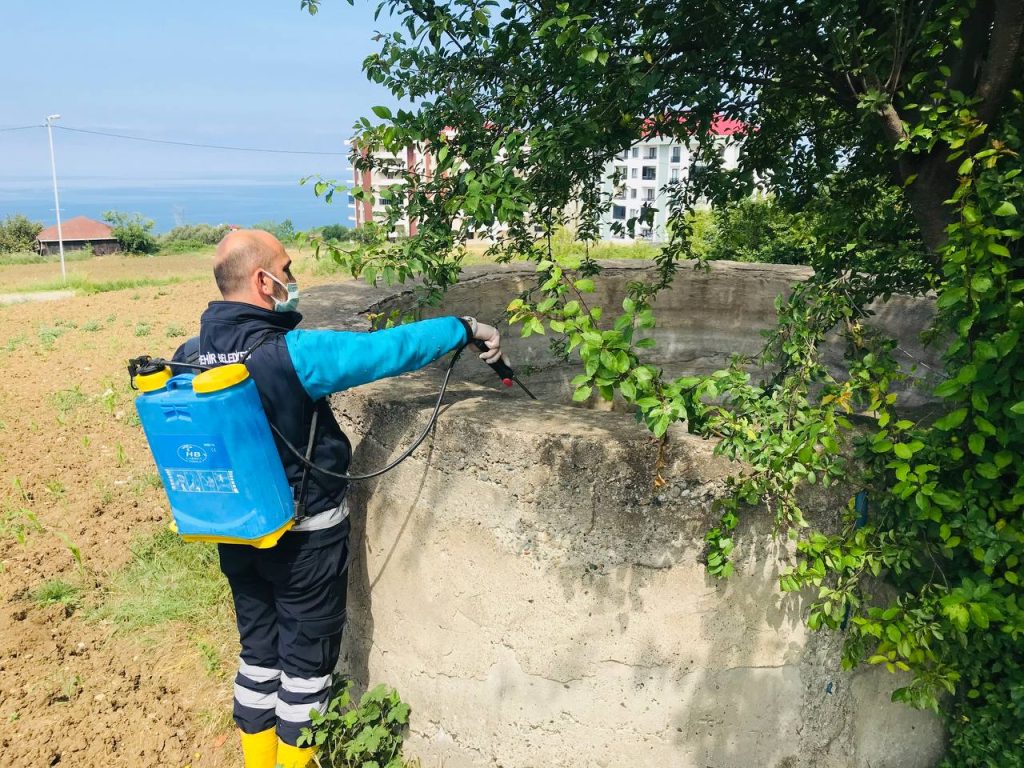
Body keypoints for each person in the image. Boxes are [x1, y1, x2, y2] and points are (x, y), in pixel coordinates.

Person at [173, 229, 503, 768]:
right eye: (288, 268)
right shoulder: (293, 353)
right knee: (305, 669)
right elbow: (387, 351)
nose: (293, 279)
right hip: (305, 539)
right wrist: (462, 327)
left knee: (258, 656)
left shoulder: (188, 356)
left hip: (234, 530)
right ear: (264, 281)